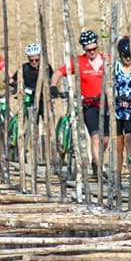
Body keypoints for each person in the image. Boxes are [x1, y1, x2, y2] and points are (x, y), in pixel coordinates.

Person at [49, 29, 108, 172]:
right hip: (89, 105)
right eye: (89, 50)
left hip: (105, 104)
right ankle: (101, 171)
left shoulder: (107, 59)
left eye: (94, 49)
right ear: (84, 49)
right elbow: (58, 72)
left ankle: (96, 160)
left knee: (105, 139)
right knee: (95, 137)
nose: (92, 52)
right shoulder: (79, 62)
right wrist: (53, 86)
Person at [112, 36, 131, 177]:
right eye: (125, 56)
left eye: (130, 56)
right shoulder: (115, 67)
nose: (128, 59)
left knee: (129, 141)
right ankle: (118, 175)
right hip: (117, 111)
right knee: (118, 145)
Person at [9, 43, 53, 119]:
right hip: (28, 98)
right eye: (31, 60)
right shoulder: (24, 67)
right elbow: (12, 79)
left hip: (43, 99)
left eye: (37, 60)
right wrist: (14, 84)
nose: (34, 62)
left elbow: (52, 80)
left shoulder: (46, 67)